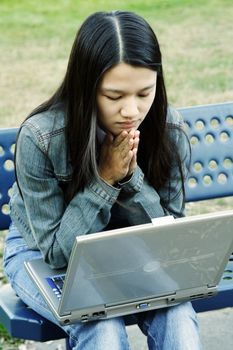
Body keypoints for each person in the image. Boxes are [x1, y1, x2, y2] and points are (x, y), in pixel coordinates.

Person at [3, 10, 202, 350]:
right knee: (99, 321)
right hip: (38, 253)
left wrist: (130, 178)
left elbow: (168, 238)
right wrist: (106, 180)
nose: (131, 111)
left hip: (129, 250)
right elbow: (56, 252)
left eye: (144, 93)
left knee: (178, 312)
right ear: (86, 88)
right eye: (114, 96)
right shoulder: (42, 137)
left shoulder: (170, 130)